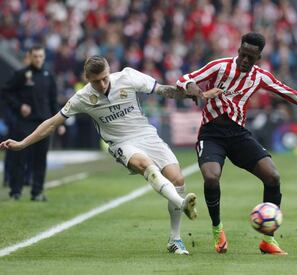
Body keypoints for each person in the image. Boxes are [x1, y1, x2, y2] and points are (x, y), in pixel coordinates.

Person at [0, 55, 220, 255]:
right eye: (96, 81)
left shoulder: (128, 77)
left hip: (147, 134)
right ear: (87, 78)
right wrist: (22, 143)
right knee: (145, 164)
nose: (102, 84)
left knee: (178, 179)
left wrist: (197, 93)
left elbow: (164, 90)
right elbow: (51, 123)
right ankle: (182, 204)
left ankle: (175, 239)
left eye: (105, 78)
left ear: (109, 70)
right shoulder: (81, 98)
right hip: (120, 143)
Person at [176, 32, 297, 255]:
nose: (244, 60)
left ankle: (268, 240)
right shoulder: (220, 66)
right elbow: (184, 78)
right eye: (242, 54)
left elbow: (287, 92)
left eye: (250, 57)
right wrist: (192, 87)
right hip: (211, 135)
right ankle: (217, 230)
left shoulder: (260, 77)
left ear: (258, 57)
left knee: (273, 177)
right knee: (211, 177)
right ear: (238, 50)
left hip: (239, 135)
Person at [1, 44, 65, 201]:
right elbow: (6, 91)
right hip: (25, 123)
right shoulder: (22, 74)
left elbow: (53, 101)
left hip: (44, 123)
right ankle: (15, 191)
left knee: (41, 159)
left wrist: (60, 123)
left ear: (44, 57)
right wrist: (19, 106)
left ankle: (36, 192)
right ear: (30, 57)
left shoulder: (48, 75)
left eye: (40, 56)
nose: (38, 59)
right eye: (35, 56)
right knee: (19, 157)